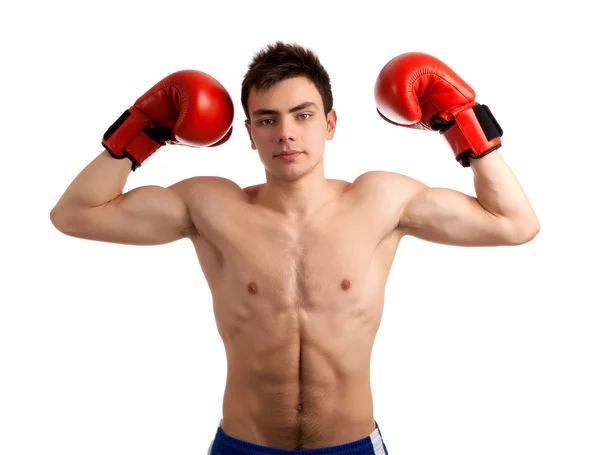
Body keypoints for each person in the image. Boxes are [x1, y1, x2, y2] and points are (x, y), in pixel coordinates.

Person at [50, 41, 539, 454]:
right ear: (249, 134)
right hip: (243, 443)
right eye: (266, 120)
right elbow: (74, 214)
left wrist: (462, 119)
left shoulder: (380, 200)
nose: (285, 132)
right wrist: (143, 131)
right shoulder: (211, 206)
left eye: (302, 115)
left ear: (329, 123)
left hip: (351, 445)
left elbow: (515, 224)